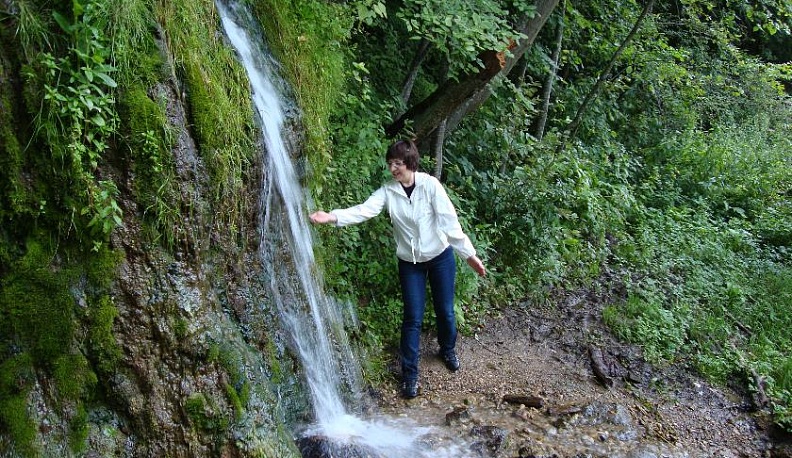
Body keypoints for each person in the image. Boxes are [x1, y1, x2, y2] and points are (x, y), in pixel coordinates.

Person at [309, 139, 486, 399]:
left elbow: (450, 223)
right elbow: (365, 210)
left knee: (445, 312)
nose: (393, 168)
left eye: (398, 163)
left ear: (410, 163)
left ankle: (447, 349)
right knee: (412, 318)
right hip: (409, 262)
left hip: (439, 256)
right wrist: (333, 216)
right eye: (390, 163)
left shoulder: (430, 186)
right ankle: (410, 375)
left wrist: (469, 255)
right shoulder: (388, 191)